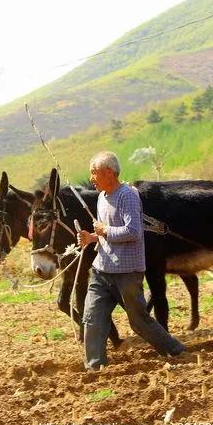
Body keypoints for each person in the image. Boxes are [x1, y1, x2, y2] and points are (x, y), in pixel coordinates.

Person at [77, 151, 186, 371]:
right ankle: (95, 368)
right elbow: (106, 232)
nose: (91, 178)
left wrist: (105, 231)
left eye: (94, 173)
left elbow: (134, 231)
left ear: (109, 173)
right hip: (102, 269)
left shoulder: (128, 195)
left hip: (126, 272)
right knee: (92, 317)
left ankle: (176, 350)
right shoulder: (101, 197)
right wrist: (91, 237)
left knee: (139, 321)